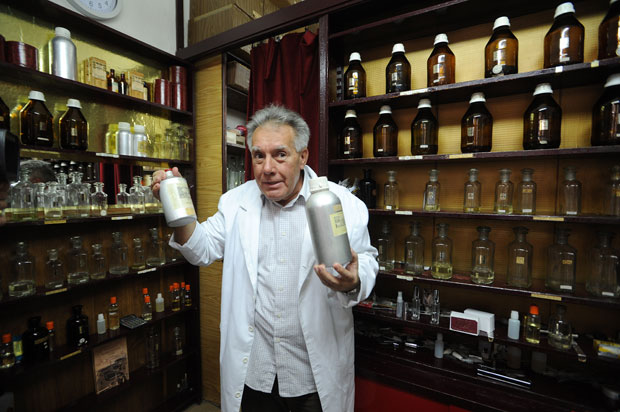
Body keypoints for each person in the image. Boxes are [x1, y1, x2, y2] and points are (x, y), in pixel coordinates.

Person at [152, 105, 378, 412]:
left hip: (310, 376)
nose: (267, 168)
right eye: (259, 156)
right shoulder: (235, 203)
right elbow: (200, 249)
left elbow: (366, 260)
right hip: (254, 372)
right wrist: (176, 207)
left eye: (280, 155)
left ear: (303, 156)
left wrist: (353, 281)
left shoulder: (342, 203)